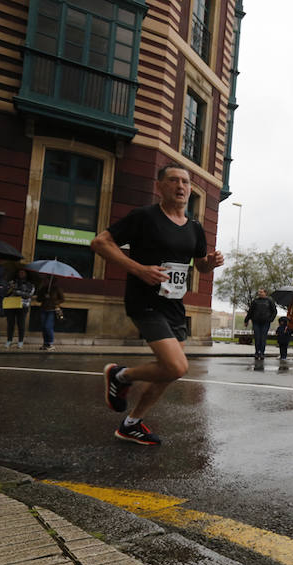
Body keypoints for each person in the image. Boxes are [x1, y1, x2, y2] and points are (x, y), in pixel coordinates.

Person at [90, 163, 224, 445]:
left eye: (185, 182)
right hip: (145, 301)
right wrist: (138, 269)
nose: (180, 186)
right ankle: (120, 376)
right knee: (176, 367)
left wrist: (209, 263)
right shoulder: (144, 217)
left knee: (167, 372)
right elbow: (101, 243)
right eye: (173, 180)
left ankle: (131, 423)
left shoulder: (195, 228)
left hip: (174, 305)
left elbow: (200, 266)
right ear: (159, 186)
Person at [3, 269, 36, 349]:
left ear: (26, 274)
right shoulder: (12, 282)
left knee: (21, 324)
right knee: (10, 323)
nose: (21, 274)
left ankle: (20, 341)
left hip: (23, 306)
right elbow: (5, 293)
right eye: (19, 272)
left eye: (23, 272)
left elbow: (29, 295)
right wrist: (10, 288)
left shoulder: (30, 284)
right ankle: (9, 340)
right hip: (11, 305)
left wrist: (17, 292)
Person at [244, 288, 277, 359]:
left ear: (265, 293)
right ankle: (257, 352)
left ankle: (262, 353)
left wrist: (270, 319)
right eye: (259, 292)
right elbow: (250, 312)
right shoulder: (255, 301)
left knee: (263, 338)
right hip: (256, 322)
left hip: (265, 322)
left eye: (261, 292)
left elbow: (274, 311)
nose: (260, 293)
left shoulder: (270, 301)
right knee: (257, 337)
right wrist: (246, 320)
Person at [35, 280, 64, 351]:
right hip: (43, 309)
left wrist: (52, 300)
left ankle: (50, 343)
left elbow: (62, 299)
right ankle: (45, 343)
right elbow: (38, 299)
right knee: (43, 327)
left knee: (48, 326)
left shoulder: (57, 288)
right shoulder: (44, 289)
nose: (47, 281)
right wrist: (44, 297)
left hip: (52, 310)